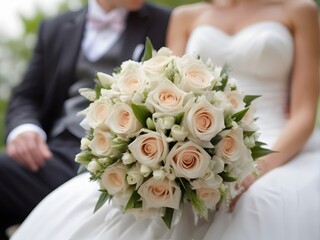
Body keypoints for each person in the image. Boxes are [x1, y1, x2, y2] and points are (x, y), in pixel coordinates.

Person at [9, 0, 320, 239]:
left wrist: (258, 170)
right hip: (198, 141)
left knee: (262, 205)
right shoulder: (185, 15)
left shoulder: (299, 9)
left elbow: (305, 111)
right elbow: (166, 84)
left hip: (278, 142)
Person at [0, 0, 171, 239]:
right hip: (53, 157)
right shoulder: (54, 28)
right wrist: (24, 130)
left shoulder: (167, 22)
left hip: (127, 164)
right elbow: (26, 96)